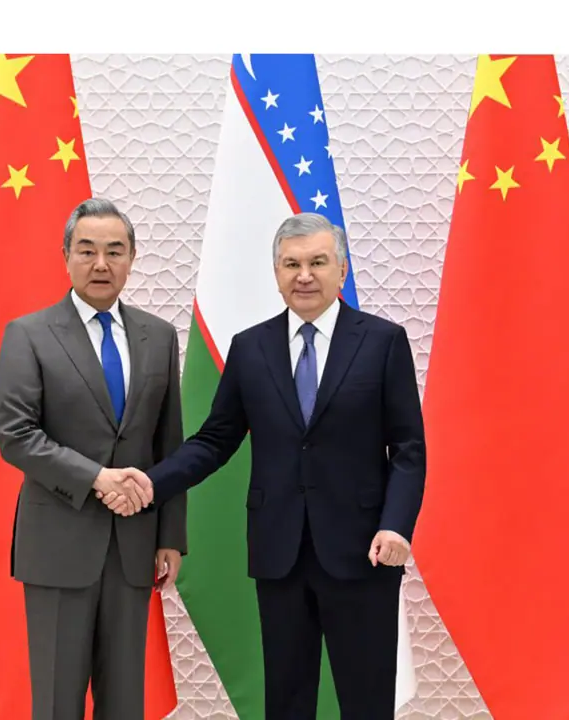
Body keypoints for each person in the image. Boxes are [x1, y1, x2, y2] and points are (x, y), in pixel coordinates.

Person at [115, 212, 426, 719]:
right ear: (277, 272)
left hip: (364, 551)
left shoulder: (382, 342)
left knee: (366, 700)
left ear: (341, 270)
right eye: (292, 264)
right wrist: (150, 482)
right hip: (280, 552)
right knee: (287, 698)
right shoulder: (250, 347)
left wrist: (396, 526)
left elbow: (409, 449)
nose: (304, 275)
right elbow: (215, 441)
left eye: (318, 262)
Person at [0, 197, 185, 720]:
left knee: (125, 701)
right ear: (66, 256)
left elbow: (169, 443)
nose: (101, 264)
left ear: (132, 257)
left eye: (114, 251)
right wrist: (97, 478)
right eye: (88, 251)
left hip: (134, 548)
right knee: (57, 701)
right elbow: (15, 435)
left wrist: (170, 534)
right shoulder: (28, 334)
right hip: (58, 544)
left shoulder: (159, 336)